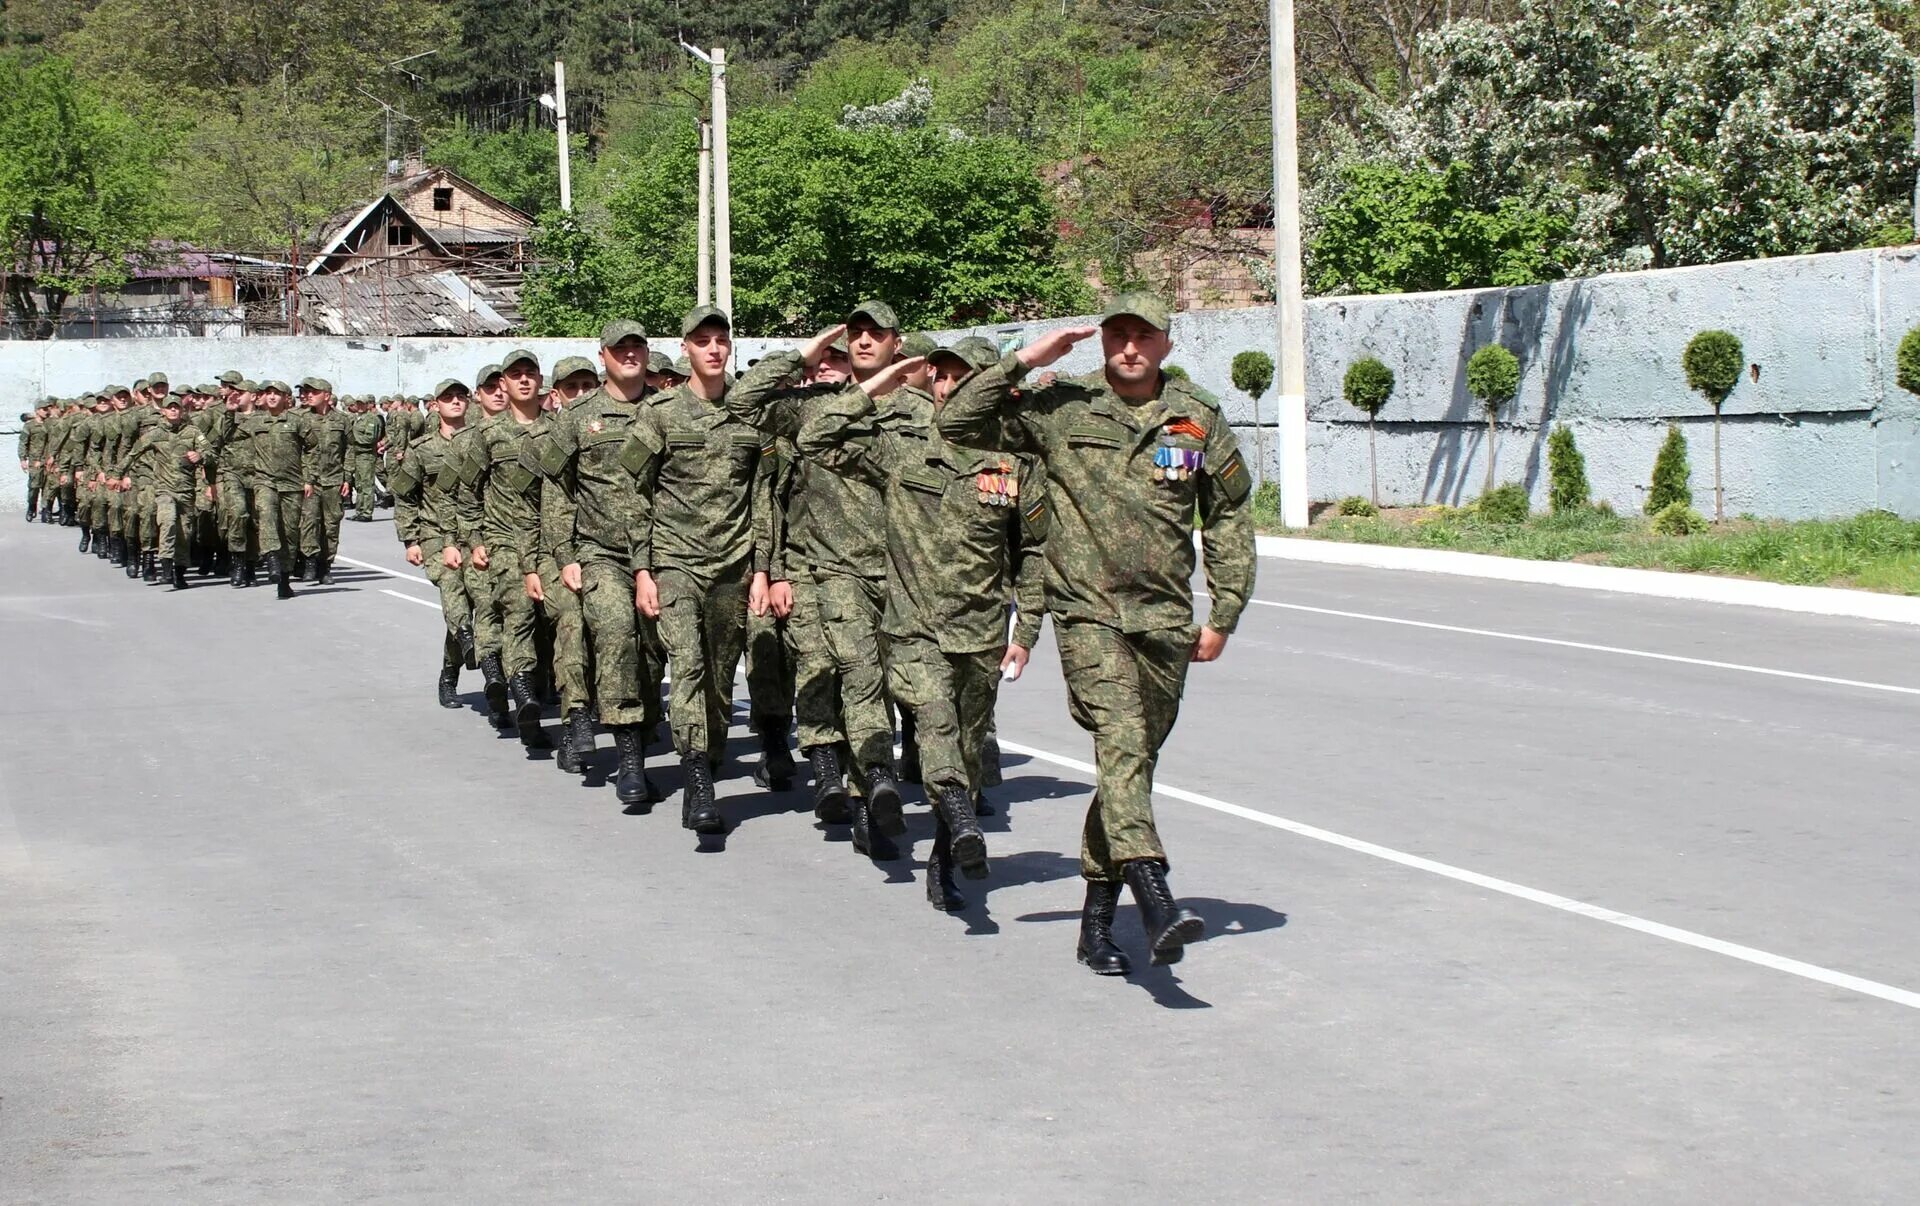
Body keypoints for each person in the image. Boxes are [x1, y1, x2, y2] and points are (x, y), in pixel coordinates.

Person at [938, 291, 1257, 975]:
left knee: (1130, 766)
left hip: (1166, 620)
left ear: (1167, 343)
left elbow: (1229, 515)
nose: (1129, 348)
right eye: (1117, 335)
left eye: (1143, 336)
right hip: (1088, 614)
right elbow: (957, 423)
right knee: (1119, 742)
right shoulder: (1063, 407)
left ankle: (1096, 922)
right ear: (1103, 341)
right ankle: (1155, 894)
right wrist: (1024, 359)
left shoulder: (1196, 419)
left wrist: (1225, 610)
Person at [779, 330, 1047, 912]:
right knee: (933, 726)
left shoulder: (1016, 463)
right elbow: (814, 435)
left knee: (969, 747)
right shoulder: (904, 448)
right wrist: (876, 385)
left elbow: (1033, 552)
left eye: (961, 377)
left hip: (979, 631)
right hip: (912, 629)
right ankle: (948, 810)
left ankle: (945, 857)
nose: (949, 386)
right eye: (942, 375)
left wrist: (1025, 632)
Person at [729, 302, 911, 862]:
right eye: (853, 335)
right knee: (853, 678)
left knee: (882, 683)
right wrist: (803, 351)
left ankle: (865, 799)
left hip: (905, 576)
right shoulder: (812, 407)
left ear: (896, 344)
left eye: (874, 334)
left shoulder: (922, 412)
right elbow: (741, 402)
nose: (861, 342)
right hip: (828, 571)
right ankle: (865, 784)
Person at [618, 305, 771, 834]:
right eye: (701, 340)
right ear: (684, 348)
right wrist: (643, 570)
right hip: (676, 562)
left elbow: (763, 496)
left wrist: (761, 570)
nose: (712, 348)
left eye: (720, 340)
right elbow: (633, 496)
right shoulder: (659, 414)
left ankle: (710, 748)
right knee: (687, 663)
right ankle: (698, 777)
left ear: (730, 348)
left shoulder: (750, 416)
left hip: (734, 564)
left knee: (720, 675)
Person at [523, 321, 667, 808]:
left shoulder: (666, 408)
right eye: (620, 349)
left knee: (653, 647)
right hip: (601, 551)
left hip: (665, 551)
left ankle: (645, 725)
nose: (630, 355)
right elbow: (557, 489)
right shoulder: (580, 416)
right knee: (614, 631)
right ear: (603, 355)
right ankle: (629, 758)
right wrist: (565, 556)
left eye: (637, 347)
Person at [457, 349, 552, 747]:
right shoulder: (486, 435)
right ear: (505, 385)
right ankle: (523, 690)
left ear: (540, 380)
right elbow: (466, 493)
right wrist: (474, 540)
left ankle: (548, 688)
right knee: (518, 607)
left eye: (530, 373)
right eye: (516, 375)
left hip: (550, 540)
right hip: (503, 540)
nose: (524, 380)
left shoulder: (559, 430)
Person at [527, 355, 603, 774]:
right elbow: (521, 510)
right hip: (552, 552)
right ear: (555, 395)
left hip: (605, 550)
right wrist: (530, 563)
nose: (579, 396)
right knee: (573, 622)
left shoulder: (611, 431)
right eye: (570, 388)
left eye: (587, 387)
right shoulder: (540, 442)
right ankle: (576, 721)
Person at [390, 379, 480, 707]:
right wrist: (410, 540)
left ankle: (451, 667)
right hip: (433, 536)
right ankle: (466, 641)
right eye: (448, 397)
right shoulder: (421, 448)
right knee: (452, 581)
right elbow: (404, 496)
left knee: (478, 600)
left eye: (460, 396)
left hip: (473, 534)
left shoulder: (479, 441)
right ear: (435, 405)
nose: (455, 401)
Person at [116, 390, 211, 589]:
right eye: (170, 407)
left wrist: (200, 455)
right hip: (164, 490)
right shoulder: (155, 434)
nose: (174, 410)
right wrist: (116, 475)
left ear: (183, 411)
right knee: (167, 521)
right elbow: (132, 453)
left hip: (186, 491)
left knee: (185, 532)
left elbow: (210, 451)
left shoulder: (192, 432)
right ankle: (166, 563)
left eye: (177, 407)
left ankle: (179, 572)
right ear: (164, 412)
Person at [246, 381, 306, 599]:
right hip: (265, 481)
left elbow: (313, 448)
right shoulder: (254, 421)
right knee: (267, 515)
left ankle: (284, 577)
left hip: (292, 484)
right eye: (268, 393)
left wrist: (309, 478)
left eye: (276, 394)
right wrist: (230, 407)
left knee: (289, 533)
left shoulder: (297, 421)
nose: (271, 397)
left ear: (286, 398)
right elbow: (229, 436)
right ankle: (270, 556)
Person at [295, 377, 350, 584]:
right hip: (309, 480)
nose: (308, 395)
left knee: (331, 524)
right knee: (309, 522)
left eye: (313, 392)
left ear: (326, 395)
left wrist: (347, 478)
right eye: (306, 392)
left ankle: (325, 566)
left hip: (334, 479)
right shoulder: (300, 418)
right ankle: (309, 561)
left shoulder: (342, 420)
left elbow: (349, 449)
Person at [348, 397, 384, 521]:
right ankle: (359, 511)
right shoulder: (357, 419)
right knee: (359, 484)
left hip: (366, 455)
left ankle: (367, 512)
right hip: (357, 455)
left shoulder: (371, 419)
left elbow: (370, 438)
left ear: (367, 405)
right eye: (357, 403)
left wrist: (354, 438)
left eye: (362, 404)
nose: (360, 406)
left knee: (367, 484)